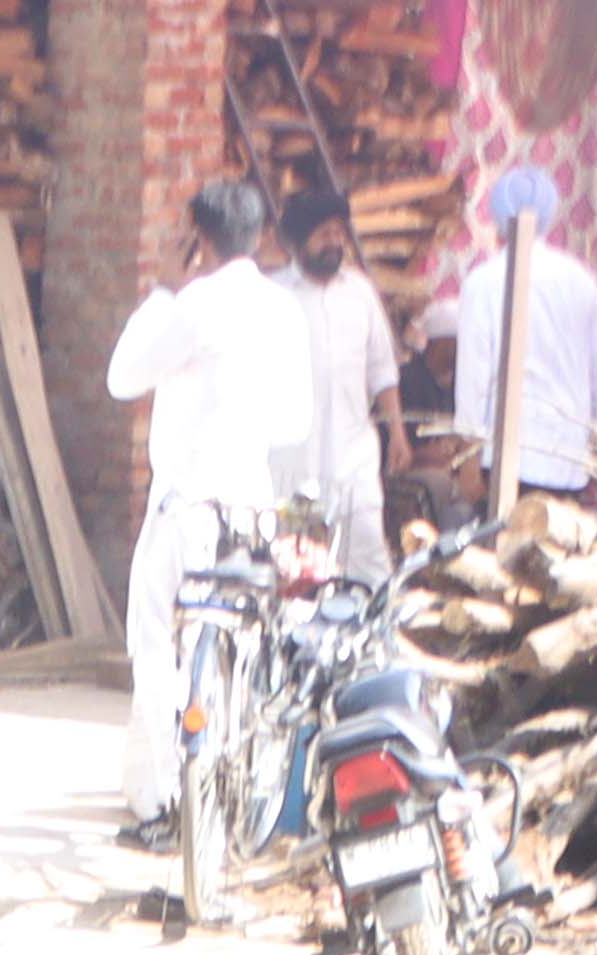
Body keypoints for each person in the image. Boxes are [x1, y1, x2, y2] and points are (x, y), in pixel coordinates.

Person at [105, 181, 315, 830]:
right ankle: (220, 793)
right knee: (234, 648)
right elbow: (294, 424)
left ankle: (171, 796)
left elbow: (122, 379)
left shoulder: (193, 304)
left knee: (156, 645)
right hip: (251, 507)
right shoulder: (284, 310)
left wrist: (164, 291)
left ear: (196, 237)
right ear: (260, 236)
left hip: (187, 506)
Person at [421, 164, 597, 514]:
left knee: (504, 542)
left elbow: (473, 378)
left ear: (497, 218)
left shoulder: (482, 282)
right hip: (567, 458)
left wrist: (469, 460)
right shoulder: (580, 279)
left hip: (505, 458)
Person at [284, 182, 404, 561]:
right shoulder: (275, 296)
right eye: (324, 234)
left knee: (369, 558)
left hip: (354, 458)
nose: (334, 242)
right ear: (298, 241)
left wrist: (397, 433)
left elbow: (382, 369)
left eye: (339, 233)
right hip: (292, 463)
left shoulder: (360, 293)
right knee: (294, 562)